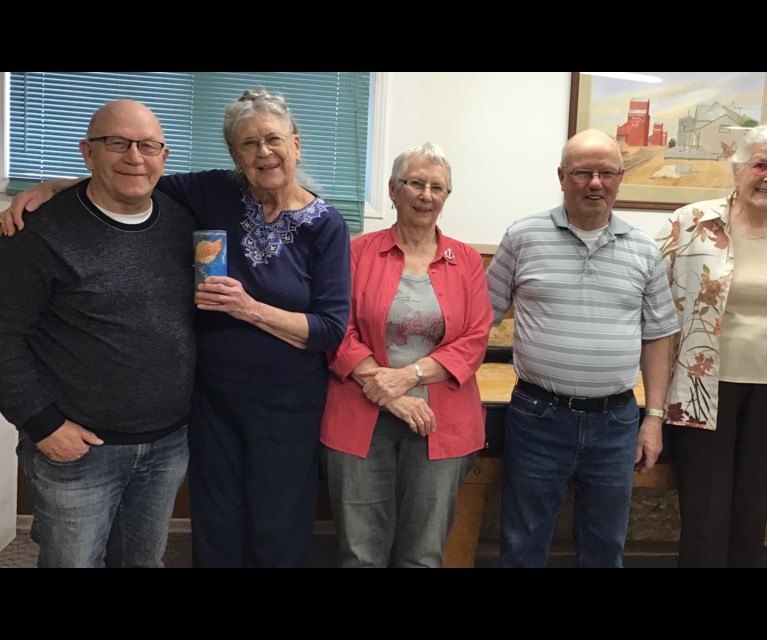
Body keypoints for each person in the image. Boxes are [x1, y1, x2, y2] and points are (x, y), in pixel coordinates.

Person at [0, 89, 352, 568]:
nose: (263, 152)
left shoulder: (326, 224)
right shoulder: (213, 192)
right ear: (234, 155)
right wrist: (50, 188)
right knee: (215, 523)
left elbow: (331, 328)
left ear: (296, 143)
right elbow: (131, 176)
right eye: (248, 144)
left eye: (273, 140)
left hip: (284, 405)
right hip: (209, 403)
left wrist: (249, 309)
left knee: (277, 526)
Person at [0, 100, 196, 567]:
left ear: (164, 157)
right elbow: (3, 335)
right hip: (77, 451)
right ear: (88, 152)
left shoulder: (181, 222)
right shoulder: (39, 230)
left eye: (147, 145)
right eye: (117, 143)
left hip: (168, 444)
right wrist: (42, 423)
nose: (134, 157)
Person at [485, 129, 680, 568]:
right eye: (583, 173)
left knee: (604, 550)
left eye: (607, 173)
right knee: (522, 547)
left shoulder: (645, 251)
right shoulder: (522, 238)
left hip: (616, 424)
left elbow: (658, 336)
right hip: (538, 418)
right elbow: (481, 319)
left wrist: (653, 420)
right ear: (561, 176)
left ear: (620, 178)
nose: (596, 183)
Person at [655, 123, 767, 567]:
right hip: (701, 388)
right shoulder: (690, 223)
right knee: (704, 517)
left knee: (752, 516)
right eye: (761, 164)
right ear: (737, 170)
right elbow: (650, 298)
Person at [320, 142, 492, 568]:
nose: (426, 195)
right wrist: (388, 390)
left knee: (424, 553)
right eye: (415, 183)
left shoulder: (466, 259)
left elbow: (475, 336)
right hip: (360, 412)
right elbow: (337, 328)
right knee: (359, 552)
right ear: (394, 190)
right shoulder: (356, 252)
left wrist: (407, 375)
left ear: (446, 197)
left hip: (442, 419)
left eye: (437, 187)